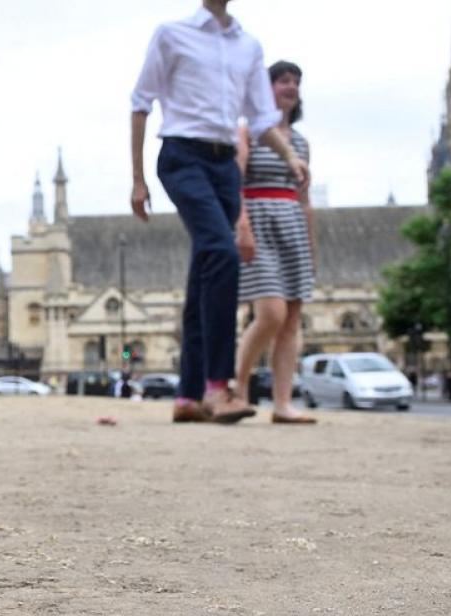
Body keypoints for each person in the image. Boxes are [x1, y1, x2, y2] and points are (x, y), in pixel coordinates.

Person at [131, 0, 309, 424]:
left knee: (202, 275)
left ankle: (187, 396)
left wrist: (289, 156)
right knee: (222, 253)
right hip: (182, 155)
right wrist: (138, 179)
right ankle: (217, 386)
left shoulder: (248, 46)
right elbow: (141, 102)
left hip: (224, 163)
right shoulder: (171, 34)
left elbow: (262, 116)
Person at [232, 60, 317, 424]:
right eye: (283, 81)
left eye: (296, 82)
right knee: (270, 313)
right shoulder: (247, 133)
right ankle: (238, 390)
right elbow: (234, 182)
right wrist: (242, 225)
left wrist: (312, 248)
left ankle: (283, 404)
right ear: (265, 90)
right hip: (259, 219)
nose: (291, 87)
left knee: (292, 320)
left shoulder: (300, 142)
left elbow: (304, 199)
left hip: (292, 224)